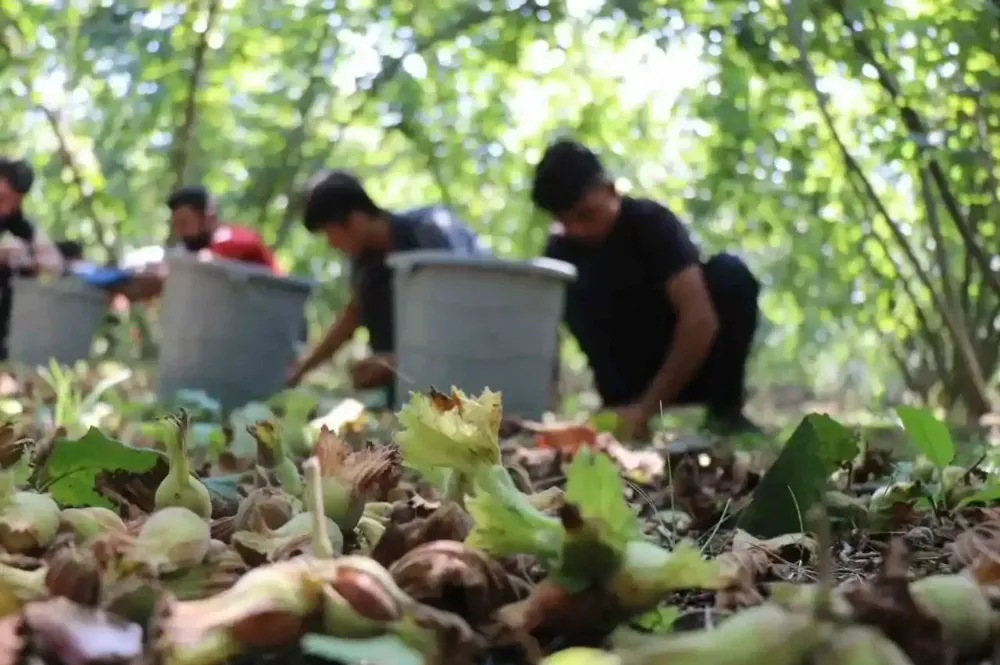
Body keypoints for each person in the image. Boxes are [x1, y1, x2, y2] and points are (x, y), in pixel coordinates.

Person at [532, 139, 762, 440]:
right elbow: (547, 337)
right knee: (561, 281)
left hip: (689, 369)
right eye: (564, 221)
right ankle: (621, 411)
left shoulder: (652, 224)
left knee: (730, 274)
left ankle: (725, 413)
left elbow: (700, 318)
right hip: (625, 381)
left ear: (611, 190)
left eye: (586, 215)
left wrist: (648, 407)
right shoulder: (561, 252)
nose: (577, 230)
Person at [286, 169, 485, 396]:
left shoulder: (429, 233)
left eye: (331, 234)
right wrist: (299, 371)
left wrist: (399, 363)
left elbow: (469, 316)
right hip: (407, 396)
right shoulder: (364, 262)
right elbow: (351, 318)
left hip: (459, 386)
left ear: (354, 220)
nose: (331, 244)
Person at [120, 185, 278, 302]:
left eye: (184, 223)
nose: (178, 232)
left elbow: (202, 263)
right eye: (175, 224)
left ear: (208, 218)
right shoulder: (191, 249)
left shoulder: (236, 239)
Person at [0, 158, 64, 360]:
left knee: (18, 270)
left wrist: (31, 259)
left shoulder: (11, 215)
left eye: (13, 203)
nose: (5, 209)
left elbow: (54, 261)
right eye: (1, 199)